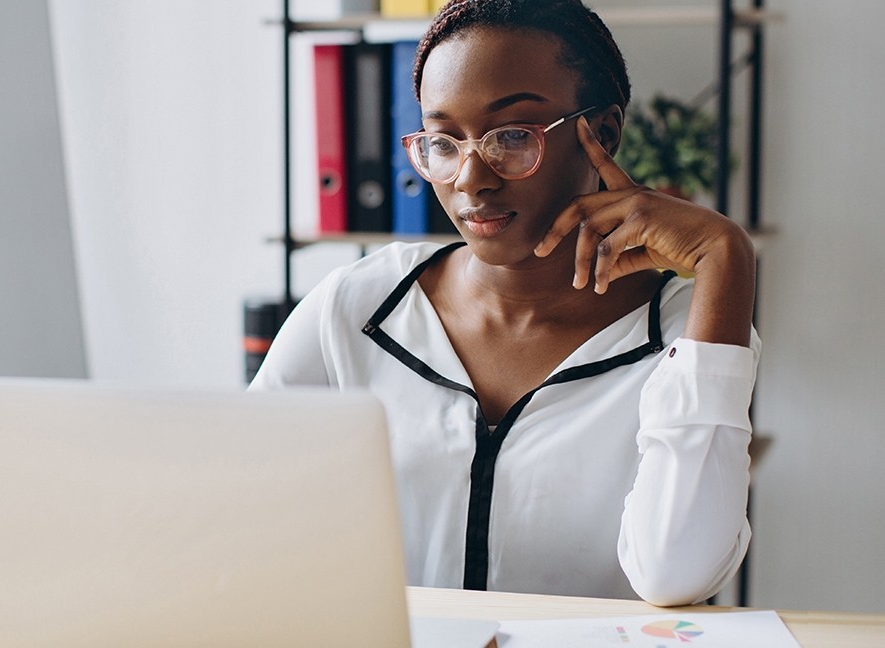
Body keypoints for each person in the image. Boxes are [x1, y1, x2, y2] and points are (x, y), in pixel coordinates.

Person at [251, 0, 759, 607]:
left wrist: (725, 256)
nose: (471, 178)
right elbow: (237, 515)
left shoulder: (683, 333)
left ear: (602, 133)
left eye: (512, 136)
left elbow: (678, 574)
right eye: (443, 141)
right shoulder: (358, 307)